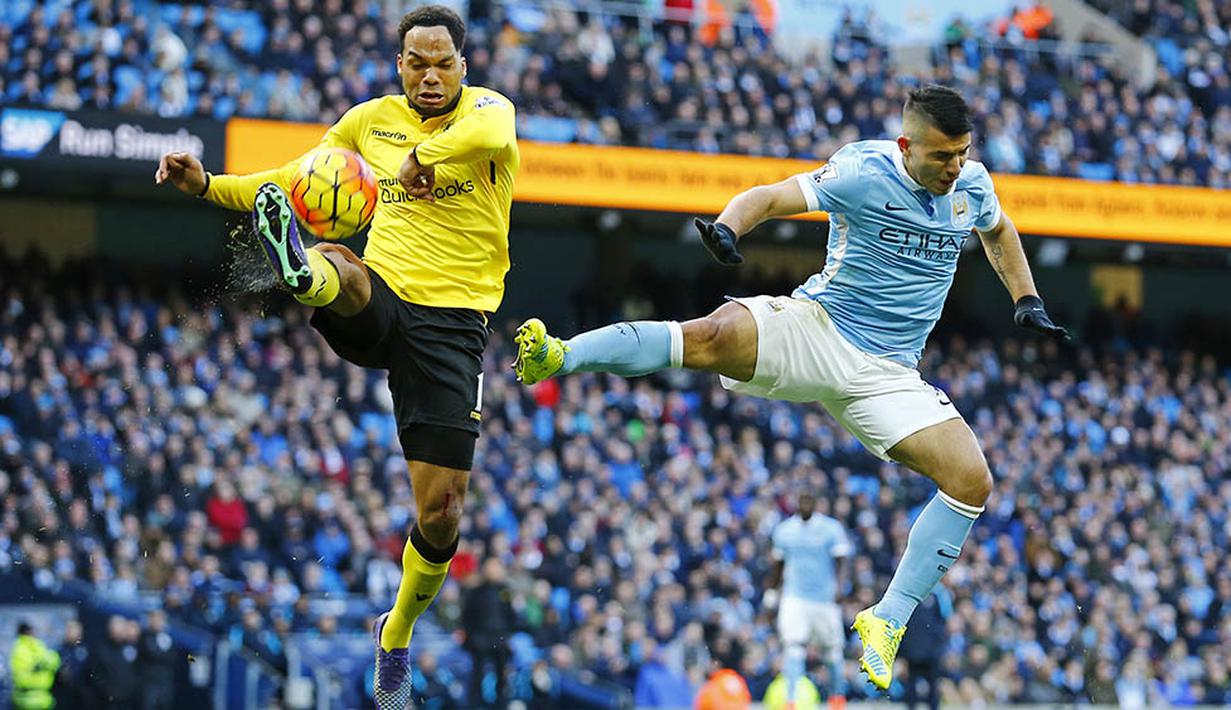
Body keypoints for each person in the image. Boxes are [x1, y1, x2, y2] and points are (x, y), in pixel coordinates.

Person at [513, 85, 1068, 692]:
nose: (955, 167)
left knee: (971, 479)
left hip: (889, 374)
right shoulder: (862, 170)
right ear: (906, 145)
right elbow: (777, 196)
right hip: (823, 328)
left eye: (963, 152)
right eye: (941, 156)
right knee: (710, 335)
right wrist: (730, 225)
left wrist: (1027, 298)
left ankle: (887, 619)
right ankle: (559, 355)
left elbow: (999, 230)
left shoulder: (973, 185)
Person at [154, 5, 519, 707]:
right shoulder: (366, 121)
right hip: (381, 298)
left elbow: (492, 130)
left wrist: (423, 157)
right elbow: (293, 178)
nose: (431, 74)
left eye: (443, 61)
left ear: (463, 66)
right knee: (342, 267)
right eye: (417, 61)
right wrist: (205, 186)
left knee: (442, 512)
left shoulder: (488, 115)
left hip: (453, 330)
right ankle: (301, 271)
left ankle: (396, 633)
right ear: (398, 65)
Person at [764, 493, 851, 708]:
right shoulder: (785, 531)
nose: (805, 504)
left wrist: (840, 588)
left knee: (832, 653)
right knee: (793, 648)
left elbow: (842, 561)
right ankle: (791, 701)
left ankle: (836, 698)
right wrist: (771, 594)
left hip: (824, 599)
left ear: (816, 503)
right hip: (795, 598)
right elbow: (778, 566)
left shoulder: (831, 529)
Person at [459, 557, 517, 707]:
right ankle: (474, 705)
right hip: (480, 638)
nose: (494, 571)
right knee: (477, 675)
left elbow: (510, 615)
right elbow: (467, 616)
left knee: (502, 677)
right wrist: (472, 638)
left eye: (497, 567)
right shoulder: (475, 591)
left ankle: (501, 705)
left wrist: (508, 636)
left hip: (500, 638)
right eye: (490, 567)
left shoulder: (505, 590)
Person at [898, 586, 952, 710]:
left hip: (928, 652)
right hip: (914, 652)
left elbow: (944, 620)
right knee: (913, 688)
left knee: (931, 688)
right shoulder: (910, 594)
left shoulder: (938, 593)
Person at [9, 621, 60, 710]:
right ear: (28, 632)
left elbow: (53, 659)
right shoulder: (21, 649)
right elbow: (23, 676)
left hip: (41, 698)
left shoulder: (34, 645)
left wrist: (42, 665)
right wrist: (42, 665)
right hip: (30, 699)